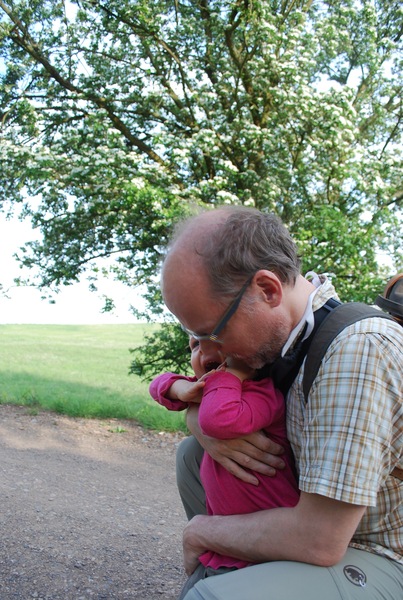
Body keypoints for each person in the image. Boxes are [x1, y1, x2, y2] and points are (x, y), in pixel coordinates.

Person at [159, 206, 403, 600]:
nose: (210, 353)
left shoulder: (358, 350)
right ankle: (230, 572)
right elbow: (209, 396)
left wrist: (202, 532)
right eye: (196, 338)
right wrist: (199, 421)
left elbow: (320, 538)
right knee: (192, 456)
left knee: (213, 599)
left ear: (268, 290)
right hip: (322, 526)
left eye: (213, 333)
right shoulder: (284, 335)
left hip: (380, 551)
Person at [150, 337, 299, 598]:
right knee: (193, 589)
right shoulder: (213, 390)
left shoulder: (262, 393)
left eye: (216, 340)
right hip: (231, 534)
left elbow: (218, 419)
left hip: (265, 539)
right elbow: (157, 385)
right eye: (195, 345)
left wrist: (229, 374)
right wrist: (181, 388)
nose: (204, 349)